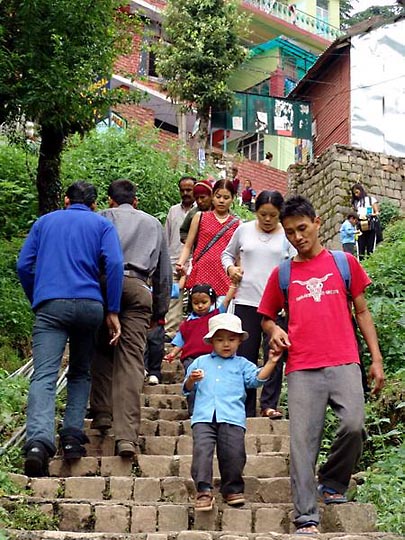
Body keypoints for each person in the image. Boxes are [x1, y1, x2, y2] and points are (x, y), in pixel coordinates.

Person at [257, 195, 384, 535]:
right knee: (302, 442)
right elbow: (265, 318)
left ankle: (332, 480)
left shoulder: (344, 263)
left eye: (302, 228)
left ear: (317, 223)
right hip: (301, 367)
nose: (297, 237)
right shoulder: (283, 274)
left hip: (345, 360)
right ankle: (306, 517)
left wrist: (376, 358)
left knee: (354, 425)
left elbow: (362, 311)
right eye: (290, 232)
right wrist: (275, 329)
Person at [17, 181, 123, 477]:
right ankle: (73, 436)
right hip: (90, 305)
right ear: (94, 203)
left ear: (65, 199)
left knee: (44, 375)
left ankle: (38, 443)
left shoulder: (44, 223)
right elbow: (114, 264)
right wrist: (112, 309)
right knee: (79, 372)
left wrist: (38, 297)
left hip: (51, 305)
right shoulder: (102, 225)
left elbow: (24, 265)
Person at [90, 179, 171, 457]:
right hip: (138, 287)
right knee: (131, 359)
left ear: (110, 200)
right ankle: (126, 437)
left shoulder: (100, 218)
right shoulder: (153, 224)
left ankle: (101, 413)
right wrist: (159, 311)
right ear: (135, 200)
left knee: (101, 349)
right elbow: (163, 273)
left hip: (101, 286)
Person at [184, 313, 282, 511]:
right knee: (202, 452)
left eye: (231, 339)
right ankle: (203, 490)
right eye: (220, 340)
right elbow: (186, 387)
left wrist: (271, 362)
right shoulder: (200, 362)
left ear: (239, 340)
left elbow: (256, 379)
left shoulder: (243, 364)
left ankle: (232, 489)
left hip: (232, 417)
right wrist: (192, 380)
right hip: (203, 417)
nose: (226, 344)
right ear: (211, 341)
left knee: (234, 454)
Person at [222, 190, 296, 418]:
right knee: (245, 354)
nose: (267, 219)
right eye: (263, 214)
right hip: (245, 301)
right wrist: (231, 269)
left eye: (273, 215)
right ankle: (244, 406)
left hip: (276, 306)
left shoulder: (287, 235)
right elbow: (226, 254)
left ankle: (268, 405)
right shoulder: (243, 229)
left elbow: (296, 265)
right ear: (256, 211)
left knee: (275, 353)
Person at [164, 282, 236, 414]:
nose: (200, 306)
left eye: (204, 302)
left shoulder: (215, 316)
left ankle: (214, 410)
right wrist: (172, 354)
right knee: (193, 384)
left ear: (211, 301)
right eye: (196, 303)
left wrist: (233, 285)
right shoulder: (187, 324)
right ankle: (193, 411)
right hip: (191, 359)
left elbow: (226, 301)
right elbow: (181, 340)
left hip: (211, 359)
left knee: (212, 384)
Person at [176, 179, 240, 297]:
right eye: (218, 196)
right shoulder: (200, 217)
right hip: (201, 273)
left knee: (221, 314)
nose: (221, 201)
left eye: (226, 198)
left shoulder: (237, 224)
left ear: (232, 199)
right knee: (199, 311)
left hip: (225, 276)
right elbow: (188, 246)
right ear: (212, 196)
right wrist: (181, 262)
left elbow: (238, 256)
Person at [164, 176, 196, 339]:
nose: (185, 193)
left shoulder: (202, 210)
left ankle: (194, 333)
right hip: (174, 260)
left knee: (196, 298)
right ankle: (171, 332)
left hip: (194, 261)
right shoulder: (173, 210)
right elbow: (167, 236)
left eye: (189, 190)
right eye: (182, 190)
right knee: (174, 297)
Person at [351, 183, 379, 259]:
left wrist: (369, 215)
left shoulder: (371, 200)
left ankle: (371, 262)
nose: (356, 195)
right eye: (354, 193)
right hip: (360, 226)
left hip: (370, 224)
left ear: (361, 190)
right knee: (361, 247)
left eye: (357, 192)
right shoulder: (356, 204)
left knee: (371, 247)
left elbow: (377, 212)